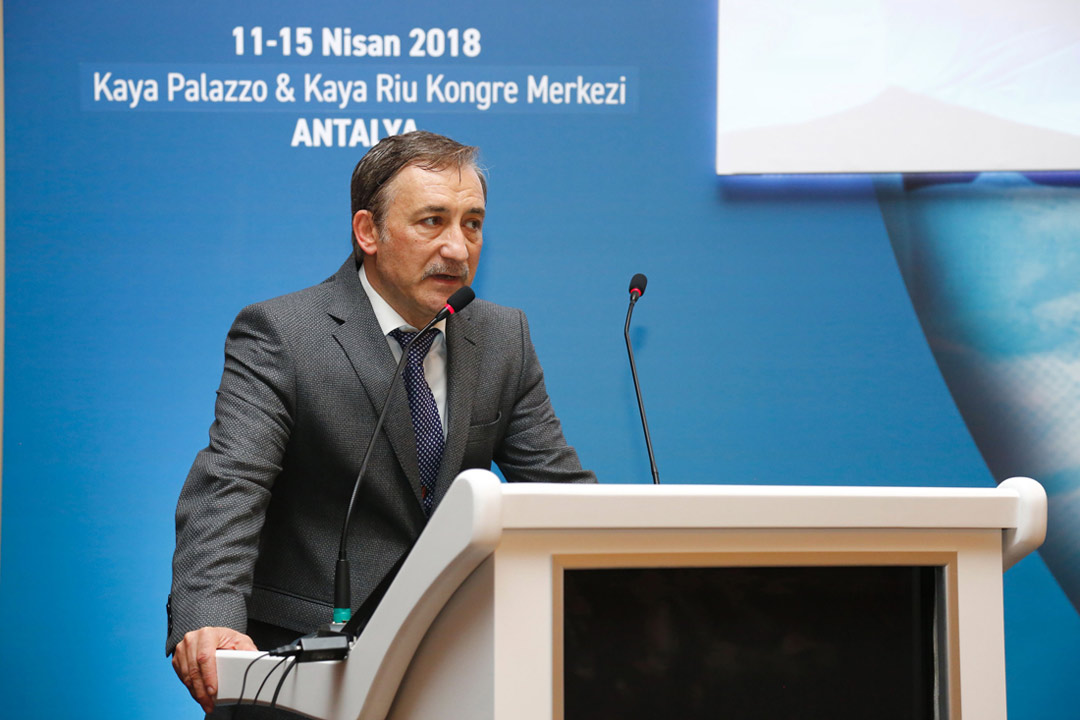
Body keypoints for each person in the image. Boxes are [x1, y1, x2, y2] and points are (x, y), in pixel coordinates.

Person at [167, 131, 595, 715]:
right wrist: (211, 616)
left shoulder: (502, 337)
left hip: (458, 657)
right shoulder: (284, 333)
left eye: (472, 224)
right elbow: (231, 483)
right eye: (432, 221)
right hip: (308, 663)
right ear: (368, 231)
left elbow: (562, 495)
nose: (457, 248)